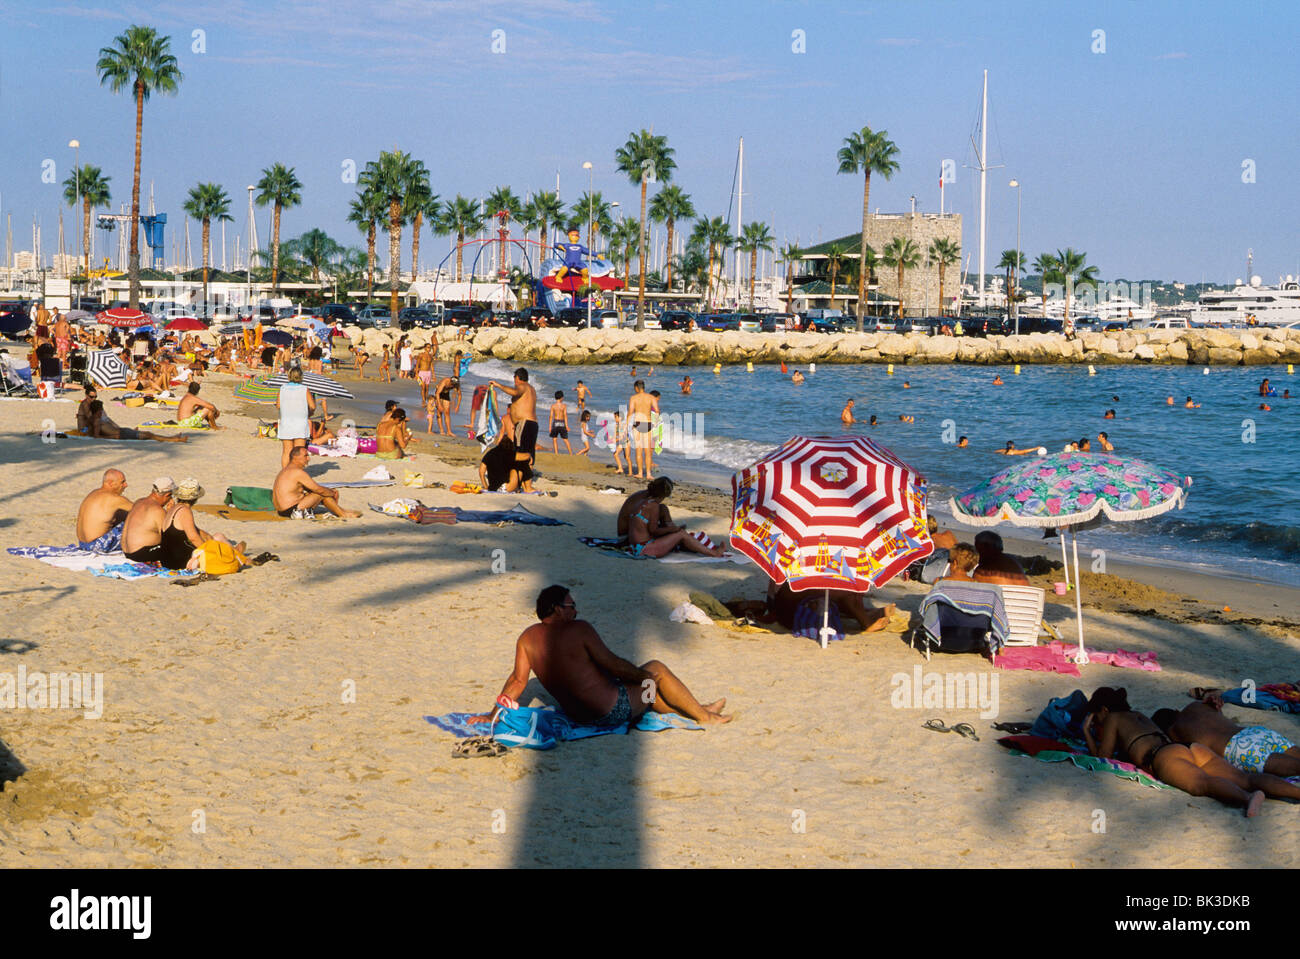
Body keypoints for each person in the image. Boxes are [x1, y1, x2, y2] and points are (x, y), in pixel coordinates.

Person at [472, 586, 730, 729]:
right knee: (656, 670)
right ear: (556, 609)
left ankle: (696, 708)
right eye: (571, 606)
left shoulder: (527, 638)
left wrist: (492, 714)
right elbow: (614, 665)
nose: (576, 611)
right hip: (610, 712)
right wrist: (647, 677)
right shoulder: (579, 629)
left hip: (579, 717)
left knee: (646, 688)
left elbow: (517, 682)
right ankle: (704, 717)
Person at [1083, 687, 1300, 817]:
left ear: (1103, 710)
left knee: (1202, 783)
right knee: (1245, 777)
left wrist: (1087, 732)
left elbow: (1103, 758)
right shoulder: (1139, 715)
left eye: (1096, 718)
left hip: (1163, 755)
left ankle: (1247, 797)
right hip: (1191, 749)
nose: (1097, 724)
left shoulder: (1112, 718)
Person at [1153, 694, 1300, 779]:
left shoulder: (1174, 732)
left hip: (1237, 747)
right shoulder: (1196, 706)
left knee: (1294, 767)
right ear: (1176, 710)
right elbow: (1217, 708)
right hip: (1254, 732)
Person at [765, 580, 895, 633]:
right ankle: (865, 621)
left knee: (831, 588)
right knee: (846, 588)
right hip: (788, 611)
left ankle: (866, 613)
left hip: (778, 602)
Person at [272, 447, 361, 518]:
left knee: (322, 493)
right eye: (305, 456)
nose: (308, 459)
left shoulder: (285, 470)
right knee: (322, 494)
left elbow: (309, 488)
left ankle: (342, 511)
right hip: (291, 510)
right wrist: (332, 493)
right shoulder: (297, 472)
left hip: (281, 511)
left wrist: (329, 491)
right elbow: (318, 489)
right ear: (295, 457)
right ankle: (343, 514)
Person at [491, 368, 539, 477]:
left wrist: (498, 385)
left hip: (524, 424)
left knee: (519, 453)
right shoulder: (531, 389)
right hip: (532, 424)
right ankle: (526, 481)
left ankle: (517, 480)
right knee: (529, 454)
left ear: (518, 377)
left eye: (514, 378)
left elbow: (515, 392)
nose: (514, 381)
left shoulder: (522, 386)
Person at [76, 469, 132, 552]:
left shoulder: (94, 493)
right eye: (122, 482)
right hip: (97, 546)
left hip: (83, 545)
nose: (126, 485)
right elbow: (142, 511)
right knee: (137, 523)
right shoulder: (114, 499)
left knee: (122, 515)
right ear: (110, 483)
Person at [87, 401, 188, 443]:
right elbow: (96, 436)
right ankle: (175, 439)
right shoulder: (96, 421)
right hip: (122, 434)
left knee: (149, 434)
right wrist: (112, 437)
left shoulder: (96, 419)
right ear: (98, 410)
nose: (102, 412)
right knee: (149, 435)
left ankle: (173, 438)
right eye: (101, 410)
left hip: (123, 432)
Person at [277, 365, 314, 468]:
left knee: (286, 451)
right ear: (301, 377)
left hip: (286, 422)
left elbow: (278, 405)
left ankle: (285, 473)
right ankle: (297, 473)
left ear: (289, 376)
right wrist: (309, 412)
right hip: (300, 423)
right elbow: (312, 406)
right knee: (299, 451)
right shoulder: (304, 389)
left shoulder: (283, 388)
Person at [627, 379, 658, 479]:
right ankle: (648, 474)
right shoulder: (651, 397)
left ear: (636, 388)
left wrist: (626, 426)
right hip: (648, 424)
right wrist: (655, 424)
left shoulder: (633, 398)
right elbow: (657, 411)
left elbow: (630, 412)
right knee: (647, 451)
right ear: (643, 387)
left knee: (638, 451)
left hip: (638, 424)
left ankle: (640, 473)